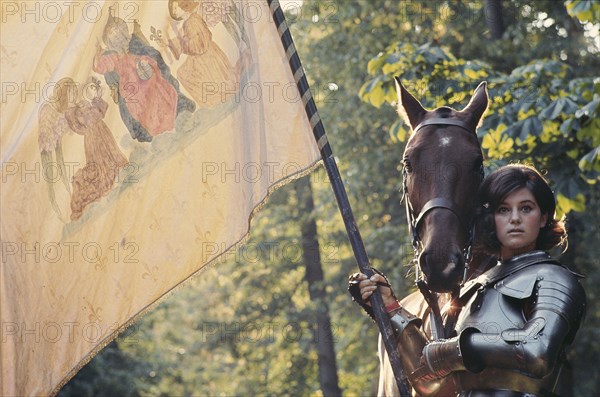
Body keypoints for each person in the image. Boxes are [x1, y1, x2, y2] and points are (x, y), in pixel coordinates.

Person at [351, 164, 586, 397]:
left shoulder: (554, 278)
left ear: (543, 217)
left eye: (526, 208)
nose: (515, 219)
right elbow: (431, 385)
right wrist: (391, 309)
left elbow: (537, 352)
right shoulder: (474, 289)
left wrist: (450, 350)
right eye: (503, 210)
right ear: (490, 218)